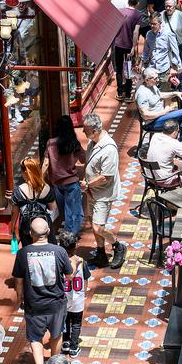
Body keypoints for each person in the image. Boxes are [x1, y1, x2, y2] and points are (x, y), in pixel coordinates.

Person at [12, 217, 73, 364]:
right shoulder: (59, 251)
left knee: (35, 337)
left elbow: (18, 281)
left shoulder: (22, 253)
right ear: (49, 231)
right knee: (56, 334)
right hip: (56, 304)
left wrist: (20, 298)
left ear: (30, 233)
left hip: (34, 305)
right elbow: (69, 276)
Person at [81, 113, 126, 269]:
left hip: (103, 193)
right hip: (92, 191)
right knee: (93, 221)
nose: (83, 132)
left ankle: (118, 246)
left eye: (86, 130)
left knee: (98, 227)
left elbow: (107, 177)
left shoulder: (109, 149)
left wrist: (87, 183)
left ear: (95, 130)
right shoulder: (91, 142)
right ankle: (101, 253)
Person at [44, 117, 84, 237]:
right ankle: (70, 238)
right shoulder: (74, 143)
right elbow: (84, 159)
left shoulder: (50, 143)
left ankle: (60, 234)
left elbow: (45, 164)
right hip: (71, 183)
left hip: (57, 184)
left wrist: (41, 181)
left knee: (62, 212)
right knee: (73, 213)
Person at [56, 231, 91, 357]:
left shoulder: (59, 262)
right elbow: (86, 278)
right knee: (76, 323)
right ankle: (74, 347)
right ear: (75, 246)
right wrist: (84, 292)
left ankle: (65, 343)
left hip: (63, 298)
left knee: (65, 321)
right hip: (77, 297)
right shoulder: (82, 262)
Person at [136, 68, 182, 140]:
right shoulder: (142, 93)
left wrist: (175, 93)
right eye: (155, 78)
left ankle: (181, 145)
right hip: (152, 122)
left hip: (162, 117)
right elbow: (146, 115)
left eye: (157, 77)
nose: (157, 80)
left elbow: (160, 95)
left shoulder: (152, 86)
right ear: (147, 80)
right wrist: (164, 112)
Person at [10, 157, 55, 247]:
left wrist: (13, 229)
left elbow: (14, 213)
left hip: (26, 227)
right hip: (44, 223)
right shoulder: (47, 188)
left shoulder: (18, 191)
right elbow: (53, 208)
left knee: (28, 251)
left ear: (25, 173)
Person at [146, 120, 182, 188]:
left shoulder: (155, 136)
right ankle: (180, 196)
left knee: (175, 167)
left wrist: (180, 144)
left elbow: (164, 146)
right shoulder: (174, 143)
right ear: (175, 132)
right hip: (163, 180)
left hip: (150, 177)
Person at [113, 0, 143, 101]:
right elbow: (136, 32)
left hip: (118, 44)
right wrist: (133, 47)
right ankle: (128, 95)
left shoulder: (120, 12)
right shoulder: (138, 15)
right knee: (128, 69)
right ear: (138, 3)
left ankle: (120, 93)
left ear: (128, 1)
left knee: (119, 68)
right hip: (128, 46)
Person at [141, 12, 182, 83]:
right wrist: (142, 64)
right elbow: (145, 51)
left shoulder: (168, 34)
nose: (152, 26)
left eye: (154, 24)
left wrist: (175, 67)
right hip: (152, 69)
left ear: (160, 23)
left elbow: (175, 51)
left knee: (164, 93)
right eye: (150, 23)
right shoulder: (149, 34)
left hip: (164, 69)